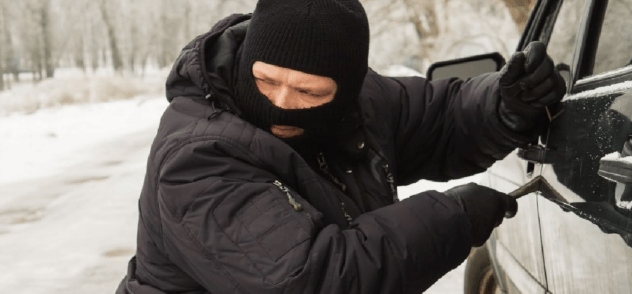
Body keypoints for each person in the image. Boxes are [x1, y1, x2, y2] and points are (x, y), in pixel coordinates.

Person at [116, 0, 566, 293]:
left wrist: (505, 103)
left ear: (347, 90)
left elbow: (436, 116)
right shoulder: (197, 158)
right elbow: (312, 280)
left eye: (309, 93)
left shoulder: (361, 103)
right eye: (266, 81)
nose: (281, 106)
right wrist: (453, 219)